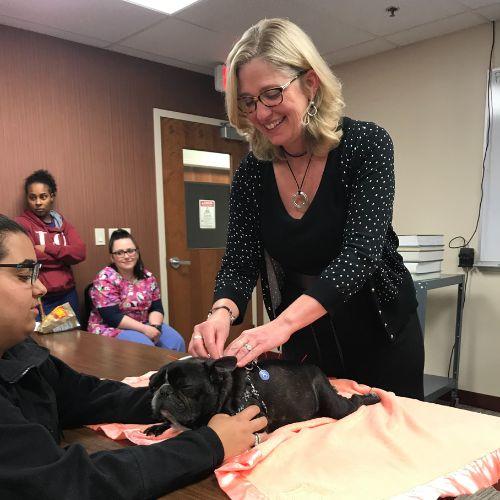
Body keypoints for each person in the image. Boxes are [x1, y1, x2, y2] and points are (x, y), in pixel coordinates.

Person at [188, 18, 424, 400]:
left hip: (380, 334)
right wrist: (221, 312)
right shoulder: (253, 172)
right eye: (248, 101)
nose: (261, 112)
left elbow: (360, 255)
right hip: (306, 341)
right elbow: (240, 258)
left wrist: (280, 326)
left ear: (310, 83)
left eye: (272, 93)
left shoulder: (366, 145)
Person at [0, 214, 267, 499]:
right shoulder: (106, 279)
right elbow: (69, 482)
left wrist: (193, 399)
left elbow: (85, 395)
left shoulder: (21, 353)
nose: (41, 288)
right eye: (23, 274)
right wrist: (211, 444)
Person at [88, 229, 185, 351]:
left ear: (137, 253)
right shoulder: (105, 278)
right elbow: (112, 318)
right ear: (112, 257)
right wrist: (145, 330)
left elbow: (156, 308)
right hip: (112, 328)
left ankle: (172, 371)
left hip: (145, 323)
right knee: (146, 347)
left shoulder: (148, 277)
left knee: (176, 342)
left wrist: (155, 327)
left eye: (130, 251)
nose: (127, 256)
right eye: (119, 253)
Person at [15, 169, 85, 321]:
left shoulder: (63, 224)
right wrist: (65, 257)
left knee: (73, 338)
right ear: (28, 198)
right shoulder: (22, 223)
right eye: (33, 197)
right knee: (42, 341)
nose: (38, 202)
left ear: (52, 197)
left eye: (43, 196)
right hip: (41, 297)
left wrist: (47, 248)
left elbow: (80, 253)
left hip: (68, 294)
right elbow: (29, 257)